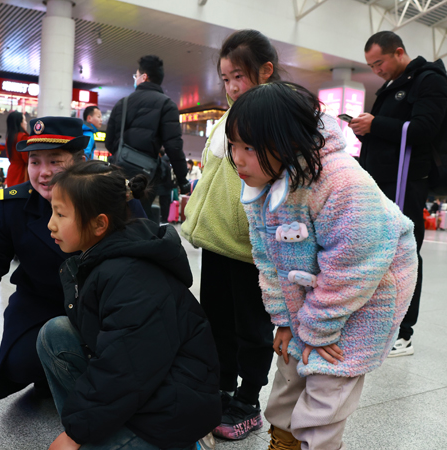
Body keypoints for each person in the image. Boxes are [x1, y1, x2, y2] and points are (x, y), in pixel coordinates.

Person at [230, 81, 417, 449]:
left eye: (249, 147)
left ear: (288, 140)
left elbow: (355, 266)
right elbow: (268, 260)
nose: (237, 158)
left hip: (368, 294)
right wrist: (285, 321)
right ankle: (283, 440)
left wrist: (320, 328)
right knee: (289, 368)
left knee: (328, 382)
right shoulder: (262, 186)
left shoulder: (342, 182)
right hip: (316, 293)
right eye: (233, 145)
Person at [0, 117, 144, 407]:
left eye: (55, 161)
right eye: (34, 162)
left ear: (80, 160)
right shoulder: (15, 207)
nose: (44, 173)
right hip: (42, 307)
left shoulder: (114, 199)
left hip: (106, 309)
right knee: (21, 363)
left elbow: (144, 259)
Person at [39, 160, 220, 450]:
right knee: (54, 335)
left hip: (174, 410)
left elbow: (123, 369)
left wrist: (74, 436)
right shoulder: (103, 257)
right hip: (149, 387)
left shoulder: (130, 275)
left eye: (61, 214)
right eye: (53, 211)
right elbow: (115, 356)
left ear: (100, 224)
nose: (51, 223)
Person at [181, 29, 280, 441]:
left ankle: (249, 400)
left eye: (239, 76)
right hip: (219, 241)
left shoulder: (274, 116)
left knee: (252, 328)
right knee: (215, 320)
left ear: (265, 72)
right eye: (225, 79)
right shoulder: (225, 119)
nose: (232, 87)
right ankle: (221, 388)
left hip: (252, 247)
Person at [351, 30, 447, 357]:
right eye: (370, 65)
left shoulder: (429, 80)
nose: (376, 69)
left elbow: (424, 130)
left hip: (406, 184)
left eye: (379, 62)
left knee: (405, 255)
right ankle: (378, 322)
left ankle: (404, 333)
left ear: (398, 52)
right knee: (376, 252)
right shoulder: (391, 85)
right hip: (380, 184)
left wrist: (374, 124)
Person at [105, 55, 189, 219]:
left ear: (144, 77)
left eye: (136, 75)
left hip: (119, 171)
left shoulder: (123, 103)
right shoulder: (167, 105)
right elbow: (174, 147)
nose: (135, 79)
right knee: (141, 217)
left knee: (119, 215)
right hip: (147, 177)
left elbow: (109, 142)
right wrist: (182, 178)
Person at [5, 111, 29, 187]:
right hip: (22, 172)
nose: (26, 123)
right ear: (19, 123)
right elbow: (27, 159)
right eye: (24, 120)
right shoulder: (23, 137)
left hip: (12, 171)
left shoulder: (9, 138)